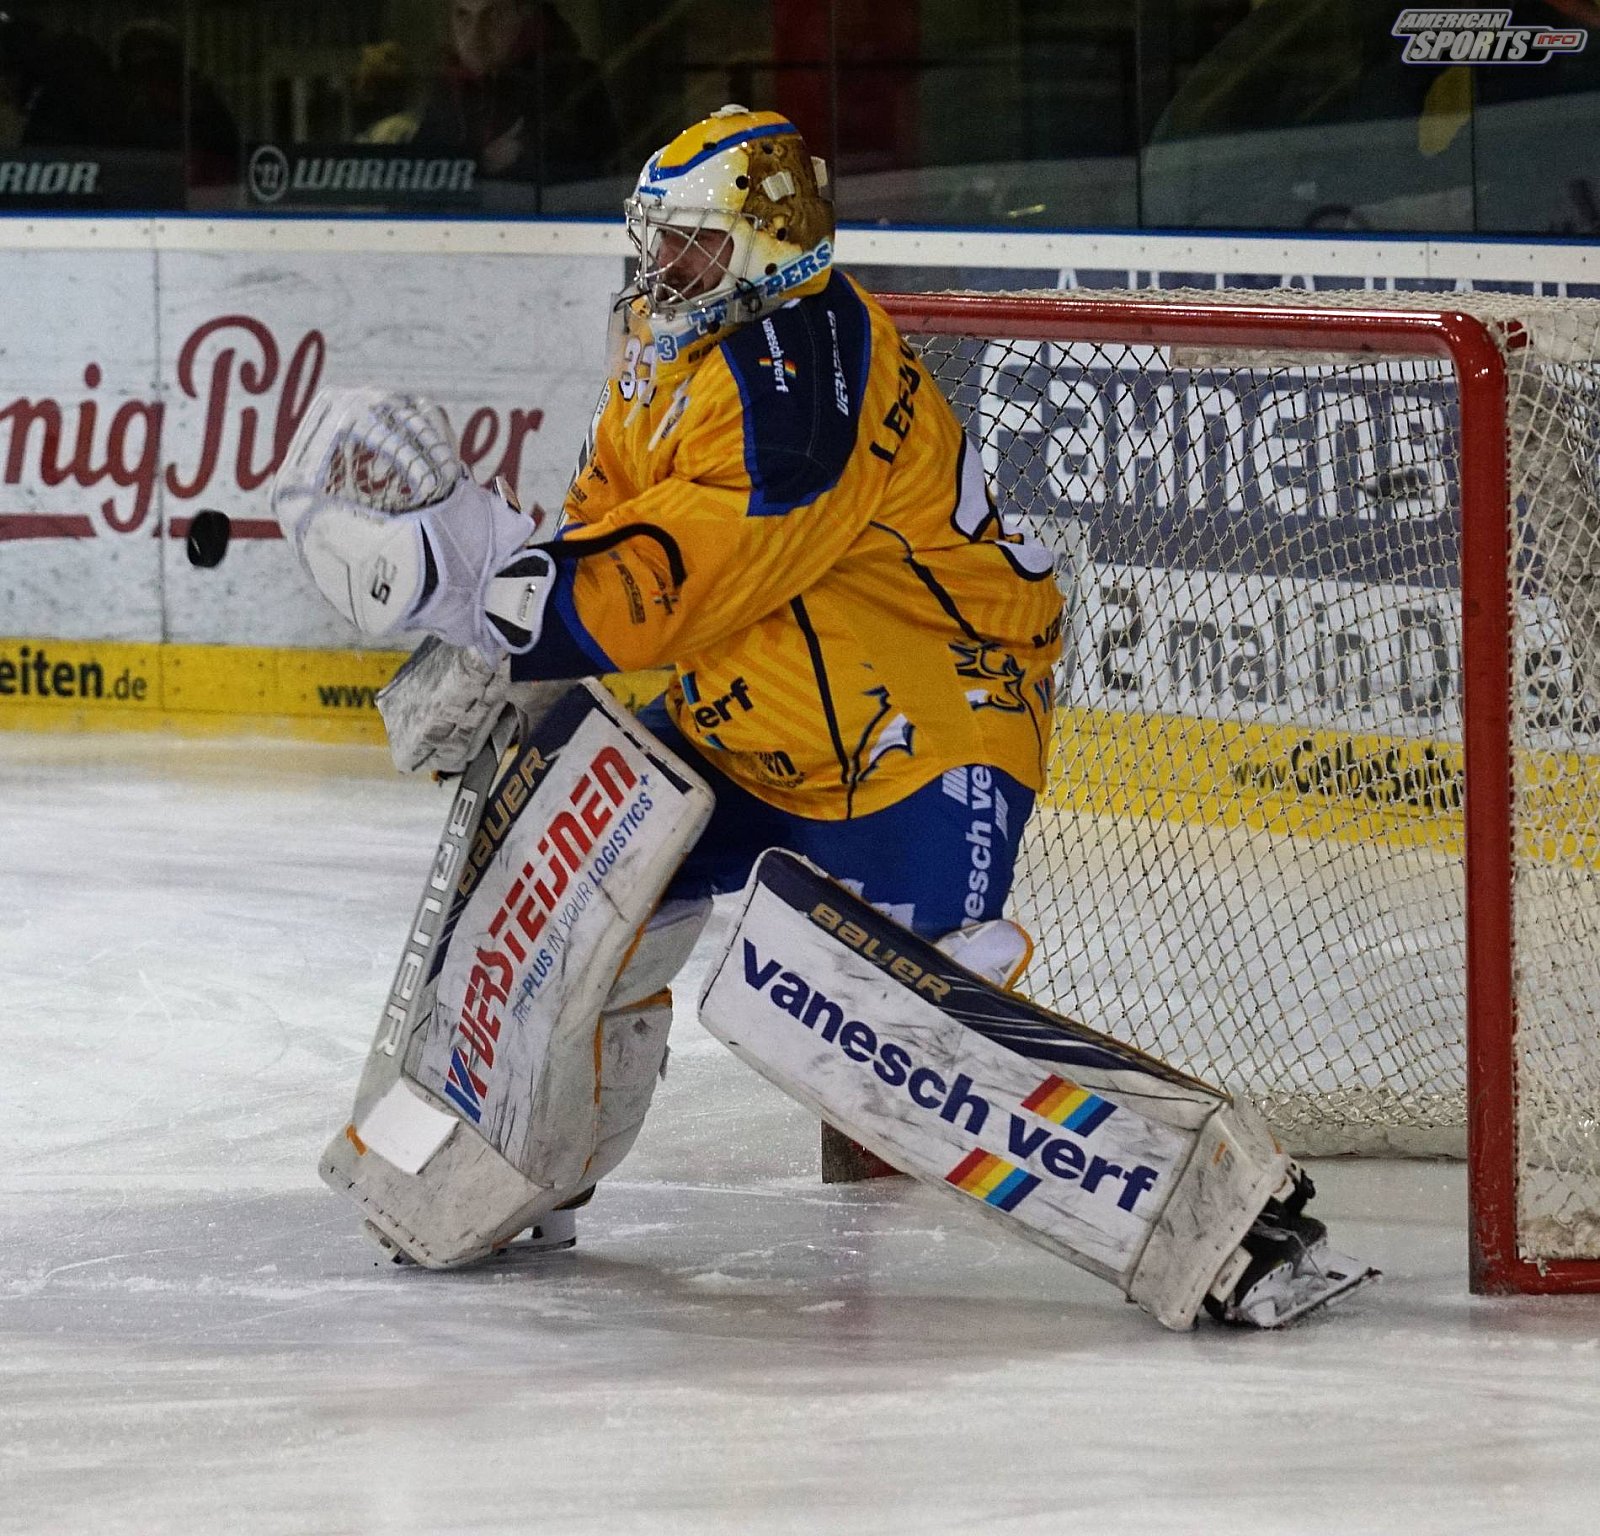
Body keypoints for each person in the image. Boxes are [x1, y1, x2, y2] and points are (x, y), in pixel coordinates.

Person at [275, 107, 1365, 1327]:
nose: (658, 269)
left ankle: (1230, 1224)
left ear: (764, 243)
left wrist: (467, 579)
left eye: (687, 246)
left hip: (916, 738)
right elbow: (610, 515)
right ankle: (516, 1166)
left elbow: (663, 591)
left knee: (857, 1020)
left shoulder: (798, 389)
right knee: (559, 870)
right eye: (653, 242)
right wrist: (504, 646)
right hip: (747, 728)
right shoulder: (663, 336)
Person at [412, 0, 619, 187]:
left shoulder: (574, 83)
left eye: (492, 15)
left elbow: (594, 177)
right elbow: (415, 172)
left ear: (524, 16)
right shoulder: (447, 88)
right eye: (463, 15)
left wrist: (524, 152)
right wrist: (482, 162)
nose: (475, 33)